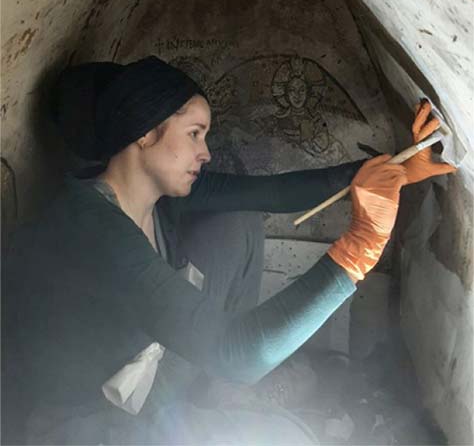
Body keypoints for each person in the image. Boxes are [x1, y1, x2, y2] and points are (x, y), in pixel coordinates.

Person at [3, 57, 455, 445]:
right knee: (286, 436)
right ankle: (215, 404)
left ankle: (217, 396)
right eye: (195, 134)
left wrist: (397, 166)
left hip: (139, 372)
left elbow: (272, 193)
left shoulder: (153, 195)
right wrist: (360, 248)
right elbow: (240, 354)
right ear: (145, 133)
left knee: (238, 223)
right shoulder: (93, 228)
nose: (206, 153)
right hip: (87, 425)